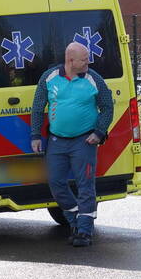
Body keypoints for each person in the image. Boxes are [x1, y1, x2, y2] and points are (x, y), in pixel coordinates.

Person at [31, 42, 113, 247]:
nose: (88, 62)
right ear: (70, 61)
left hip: (84, 141)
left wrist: (99, 132)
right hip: (57, 141)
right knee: (56, 183)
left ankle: (84, 230)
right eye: (84, 59)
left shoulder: (94, 78)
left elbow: (107, 106)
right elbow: (38, 107)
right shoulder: (49, 78)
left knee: (85, 184)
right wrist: (35, 135)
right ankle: (75, 219)